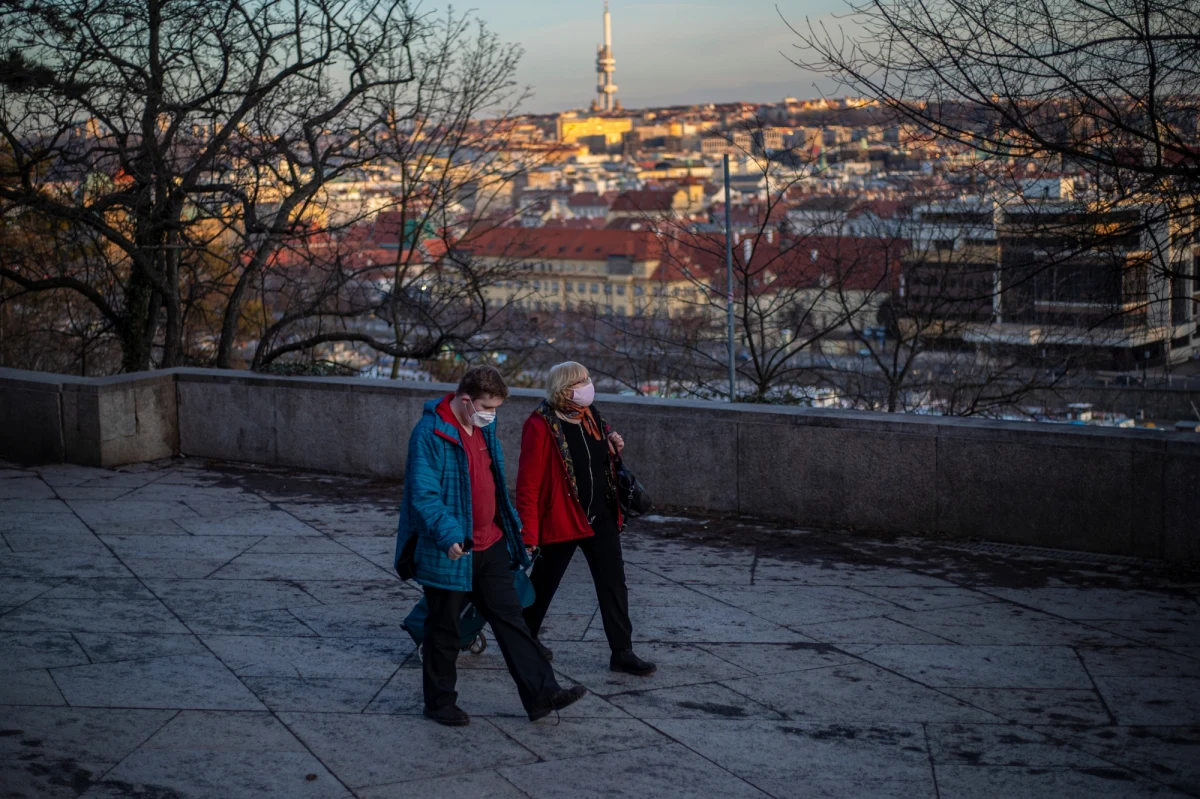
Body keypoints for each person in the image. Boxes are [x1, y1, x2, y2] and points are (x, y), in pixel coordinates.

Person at [394, 365, 587, 726]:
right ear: (466, 400)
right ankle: (439, 704)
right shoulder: (429, 433)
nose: (492, 415)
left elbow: (494, 483)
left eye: (496, 408)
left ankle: (543, 694)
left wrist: (515, 532)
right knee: (444, 628)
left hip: (491, 543)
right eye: (488, 407)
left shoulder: (486, 427)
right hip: (450, 548)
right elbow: (424, 494)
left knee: (511, 619)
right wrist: (448, 534)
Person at [516, 361, 656, 676]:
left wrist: (613, 445)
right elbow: (527, 486)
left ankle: (622, 651)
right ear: (565, 389)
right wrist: (529, 535)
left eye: (587, 378)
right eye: (581, 380)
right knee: (544, 583)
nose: (588, 384)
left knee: (613, 584)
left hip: (601, 516)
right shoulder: (539, 425)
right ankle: (524, 639)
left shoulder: (591, 415)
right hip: (564, 518)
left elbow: (598, 459)